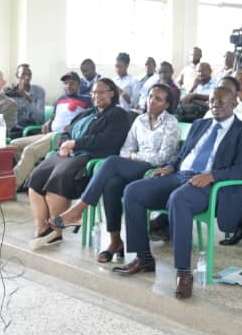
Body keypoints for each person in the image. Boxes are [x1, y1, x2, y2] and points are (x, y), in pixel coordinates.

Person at [114, 87, 242, 299]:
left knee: (179, 200)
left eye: (221, 102)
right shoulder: (200, 125)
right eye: (211, 102)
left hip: (211, 185)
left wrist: (212, 176)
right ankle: (144, 257)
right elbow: (183, 155)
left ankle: (183, 273)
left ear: (234, 104)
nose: (215, 106)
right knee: (133, 191)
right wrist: (170, 167)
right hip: (180, 175)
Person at [51, 84, 179, 262]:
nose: (152, 101)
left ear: (167, 104)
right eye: (150, 96)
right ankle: (115, 241)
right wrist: (133, 156)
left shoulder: (171, 123)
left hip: (155, 170)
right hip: (135, 165)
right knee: (111, 185)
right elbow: (125, 149)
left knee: (111, 162)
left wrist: (135, 156)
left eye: (158, 99)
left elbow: (163, 157)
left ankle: (80, 208)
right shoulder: (139, 120)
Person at [30, 78, 133, 246]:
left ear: (112, 93)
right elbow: (68, 131)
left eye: (101, 92)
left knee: (59, 177)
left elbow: (108, 140)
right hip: (70, 153)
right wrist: (65, 144)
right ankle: (42, 230)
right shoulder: (87, 113)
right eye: (93, 92)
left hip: (91, 157)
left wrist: (76, 144)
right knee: (37, 176)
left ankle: (56, 231)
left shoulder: (118, 114)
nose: (96, 95)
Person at [11, 72, 92, 189]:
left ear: (79, 85)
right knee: (15, 145)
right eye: (66, 83)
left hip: (63, 137)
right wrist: (47, 122)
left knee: (30, 151)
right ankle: (28, 181)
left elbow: (91, 118)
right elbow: (54, 117)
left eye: (72, 83)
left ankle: (11, 185)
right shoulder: (60, 99)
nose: (68, 86)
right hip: (49, 134)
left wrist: (74, 125)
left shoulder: (87, 100)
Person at [5, 63, 45, 139]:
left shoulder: (39, 91)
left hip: (30, 129)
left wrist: (27, 99)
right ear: (17, 75)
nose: (27, 77)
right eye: (23, 74)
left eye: (29, 74)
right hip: (13, 127)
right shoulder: (10, 92)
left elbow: (40, 118)